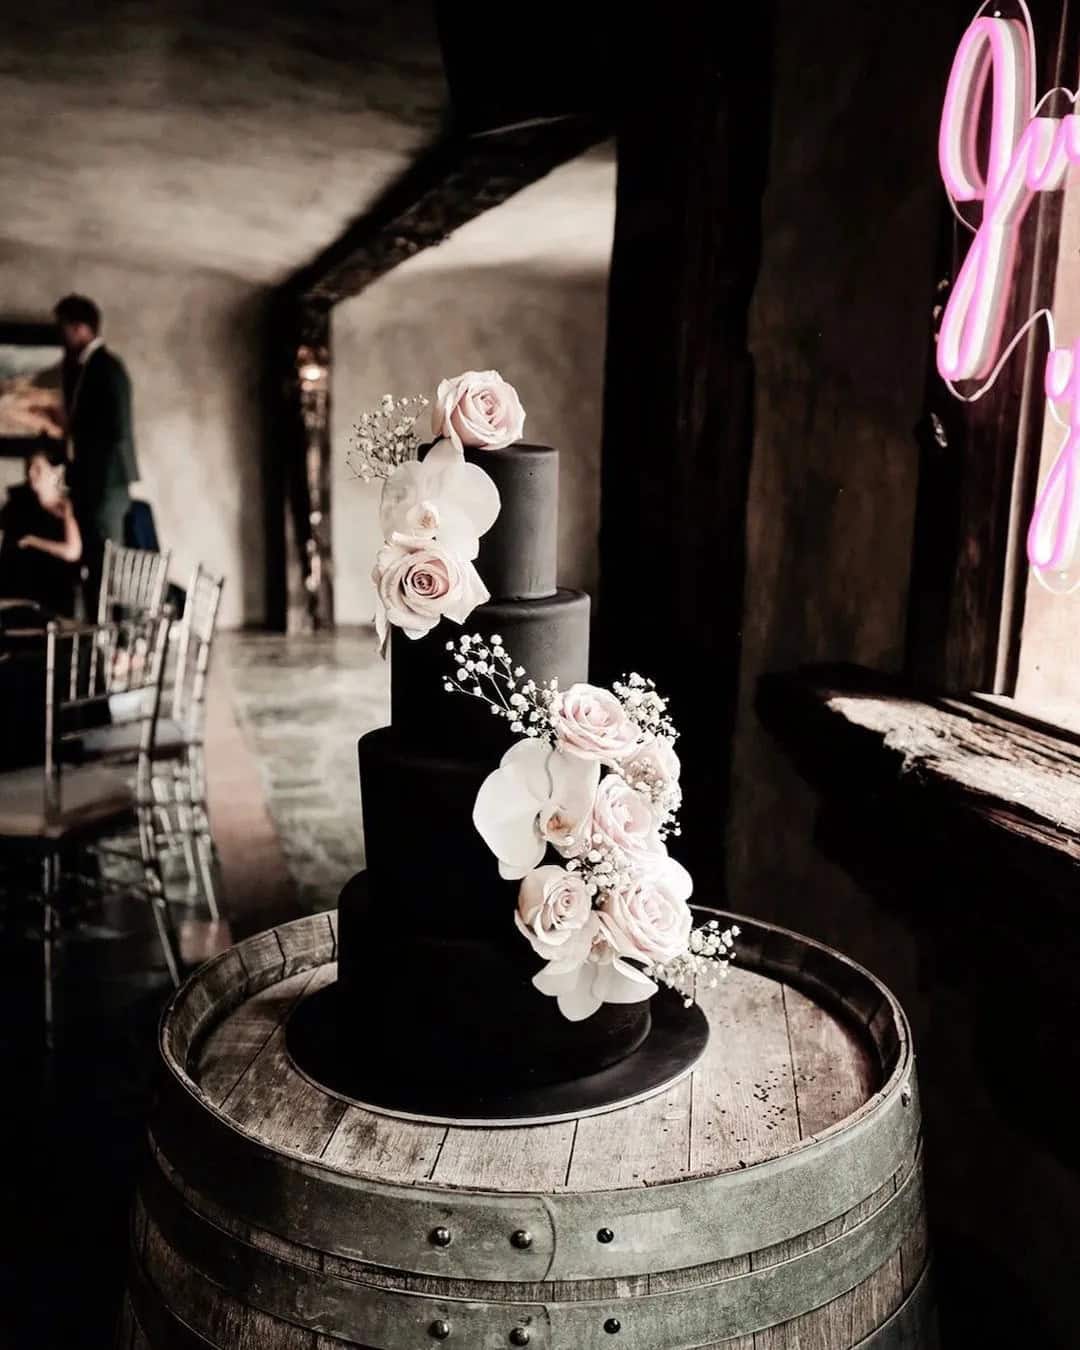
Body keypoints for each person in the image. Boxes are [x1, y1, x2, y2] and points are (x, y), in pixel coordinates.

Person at [50, 294, 140, 610]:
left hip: (104, 486)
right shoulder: (89, 367)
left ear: (81, 328)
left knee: (108, 569)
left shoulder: (107, 368)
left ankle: (115, 646)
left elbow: (113, 431)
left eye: (63, 327)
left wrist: (72, 427)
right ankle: (101, 641)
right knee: (99, 567)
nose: (60, 334)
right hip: (98, 485)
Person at [0, 443, 82, 617]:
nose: (30, 473)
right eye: (30, 467)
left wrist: (33, 541)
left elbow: (72, 551)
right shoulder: (19, 502)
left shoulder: (67, 508)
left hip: (51, 592)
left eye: (38, 468)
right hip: (14, 587)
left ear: (57, 472)